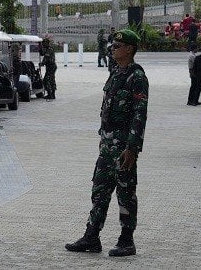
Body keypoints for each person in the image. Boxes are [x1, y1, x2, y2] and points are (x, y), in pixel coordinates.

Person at [66, 29, 148, 257]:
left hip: (123, 148)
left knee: (125, 193)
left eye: (117, 46)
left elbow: (140, 114)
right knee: (99, 191)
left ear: (130, 49)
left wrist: (132, 148)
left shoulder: (137, 77)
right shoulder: (115, 73)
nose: (112, 49)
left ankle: (126, 240)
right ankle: (92, 236)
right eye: (112, 46)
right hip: (107, 146)